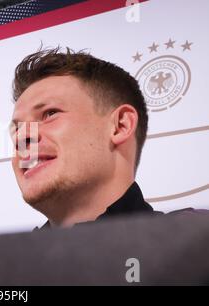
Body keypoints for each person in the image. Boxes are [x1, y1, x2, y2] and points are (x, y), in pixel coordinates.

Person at [9, 47, 163, 229]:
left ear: (121, 126)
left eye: (50, 113)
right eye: (17, 129)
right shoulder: (0, 257)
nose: (22, 136)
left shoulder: (198, 245)